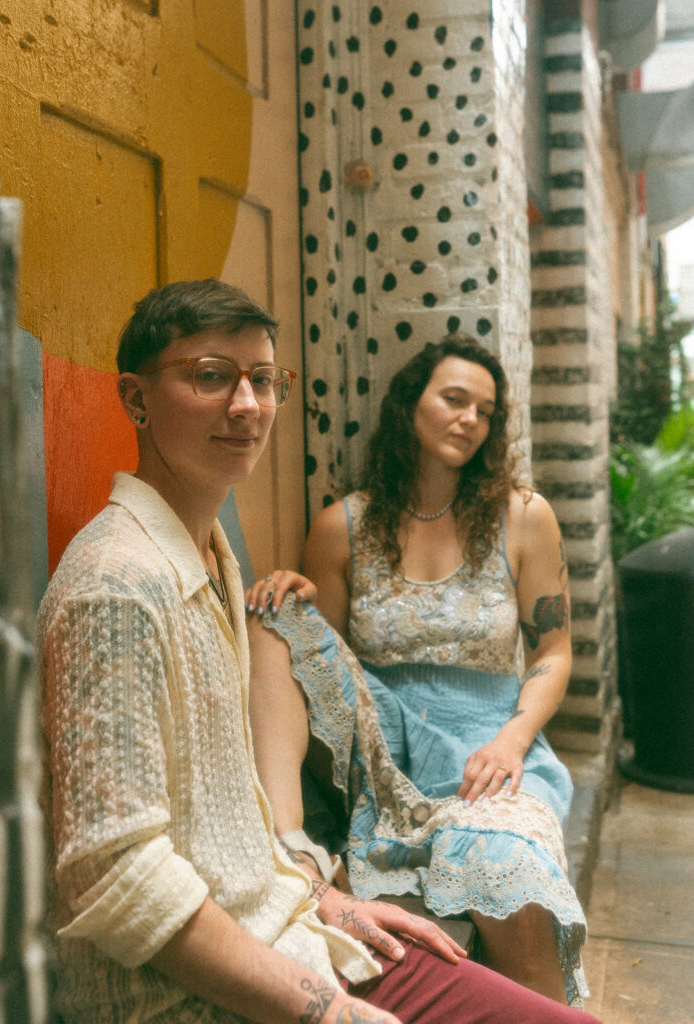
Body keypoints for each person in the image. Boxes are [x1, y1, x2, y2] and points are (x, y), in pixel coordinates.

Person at [38, 280, 602, 1024]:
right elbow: (118, 881)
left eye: (264, 381)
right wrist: (324, 1011)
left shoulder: (208, 559)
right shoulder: (117, 584)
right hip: (207, 992)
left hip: (298, 926)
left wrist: (322, 896)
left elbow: (222, 819)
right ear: (136, 400)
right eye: (211, 376)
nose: (247, 405)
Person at [246, 336, 588, 1006]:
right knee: (277, 614)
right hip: (386, 752)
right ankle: (291, 845)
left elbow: (554, 651)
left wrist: (512, 741)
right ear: (410, 405)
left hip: (493, 750)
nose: (470, 419)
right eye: (454, 399)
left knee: (510, 861)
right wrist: (294, 595)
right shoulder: (343, 524)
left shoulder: (522, 516)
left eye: (485, 411)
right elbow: (326, 665)